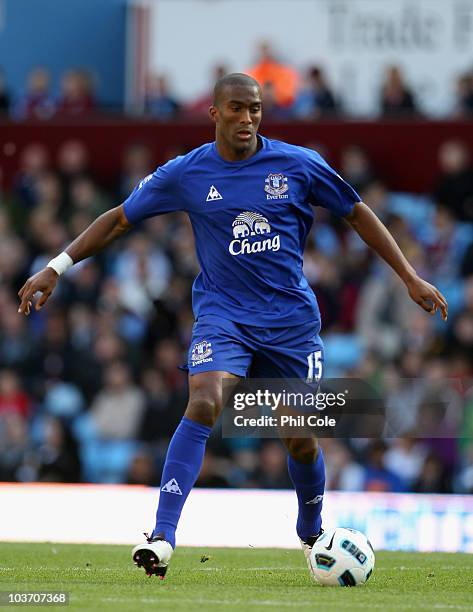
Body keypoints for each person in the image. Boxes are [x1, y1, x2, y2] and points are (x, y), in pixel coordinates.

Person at [18, 73, 448, 579]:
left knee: (300, 436)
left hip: (290, 323)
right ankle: (162, 536)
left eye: (256, 110)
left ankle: (311, 534)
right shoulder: (187, 173)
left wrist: (409, 276)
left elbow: (357, 212)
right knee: (204, 399)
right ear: (215, 114)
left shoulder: (297, 164)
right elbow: (119, 220)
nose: (248, 119)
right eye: (238, 109)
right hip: (224, 317)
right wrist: (57, 266)